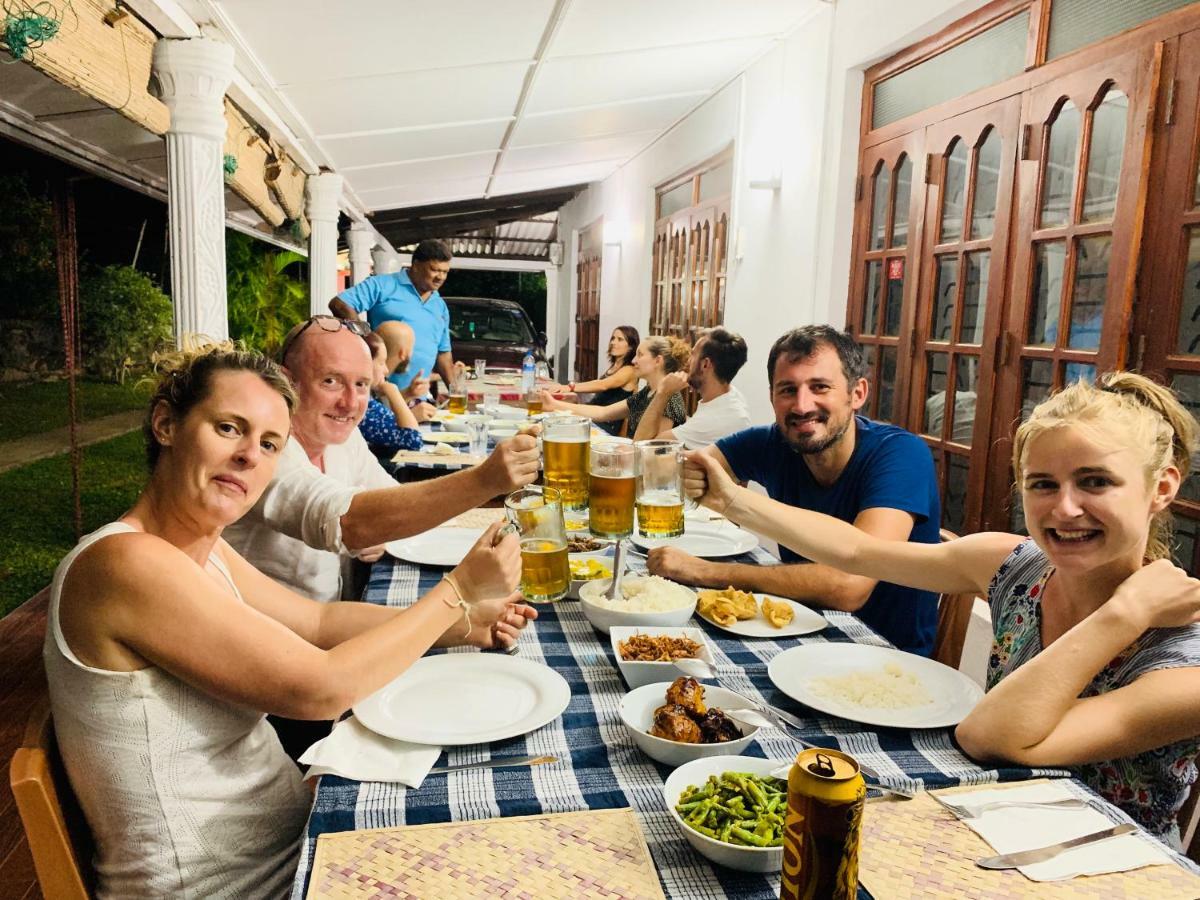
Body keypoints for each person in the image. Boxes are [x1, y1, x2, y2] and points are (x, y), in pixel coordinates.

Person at [44, 341, 533, 897]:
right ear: (166, 426)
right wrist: (455, 593)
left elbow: (319, 623)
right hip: (232, 886)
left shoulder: (199, 548)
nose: (251, 455)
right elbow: (318, 690)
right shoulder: (123, 563)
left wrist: (464, 624)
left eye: (270, 443)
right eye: (229, 428)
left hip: (293, 837)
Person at [682, 371, 1200, 843]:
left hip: (1114, 875)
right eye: (1043, 484)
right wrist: (730, 501)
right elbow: (858, 551)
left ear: (1162, 488)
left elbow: (990, 736)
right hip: (984, 829)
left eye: (1096, 482)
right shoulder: (1017, 565)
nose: (1064, 509)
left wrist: (1123, 615)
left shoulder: (1186, 661)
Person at [648, 326, 941, 656]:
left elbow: (849, 585)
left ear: (857, 393)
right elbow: (668, 473)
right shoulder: (772, 442)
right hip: (796, 636)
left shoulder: (901, 455)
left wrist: (706, 571)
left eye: (820, 387)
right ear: (772, 397)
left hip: (886, 661)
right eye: (788, 390)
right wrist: (684, 476)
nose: (802, 406)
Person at [223, 315, 540, 603]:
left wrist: (381, 523)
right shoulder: (263, 450)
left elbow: (388, 497)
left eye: (361, 385)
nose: (350, 404)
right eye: (331, 381)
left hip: (333, 618)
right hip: (270, 639)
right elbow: (347, 522)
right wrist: (485, 480)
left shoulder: (341, 436)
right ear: (287, 381)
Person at [328, 238, 457, 392]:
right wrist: (368, 340)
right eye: (434, 270)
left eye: (445, 272)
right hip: (380, 393)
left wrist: (457, 392)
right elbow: (340, 304)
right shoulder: (382, 285)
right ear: (415, 266)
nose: (440, 277)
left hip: (418, 397)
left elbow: (444, 355)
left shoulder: (440, 306)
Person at [541, 336, 689, 437]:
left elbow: (656, 451)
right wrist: (554, 404)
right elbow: (603, 413)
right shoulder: (648, 392)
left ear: (658, 361)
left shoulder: (670, 398)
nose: (633, 360)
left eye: (640, 355)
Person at [632, 326, 751, 448]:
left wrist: (663, 393)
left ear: (705, 364)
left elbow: (641, 448)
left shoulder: (709, 422)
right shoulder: (732, 397)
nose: (688, 361)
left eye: (693, 354)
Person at [552, 326, 640, 435]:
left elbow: (603, 385)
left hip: (603, 426)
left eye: (620, 339)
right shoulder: (614, 367)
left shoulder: (629, 370)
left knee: (554, 429)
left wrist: (570, 387)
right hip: (592, 418)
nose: (613, 342)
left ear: (631, 346)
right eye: (613, 338)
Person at [358, 331, 423, 454]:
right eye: (381, 363)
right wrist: (393, 392)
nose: (386, 370)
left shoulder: (368, 399)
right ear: (365, 364)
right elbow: (413, 441)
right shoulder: (360, 404)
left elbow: (390, 422)